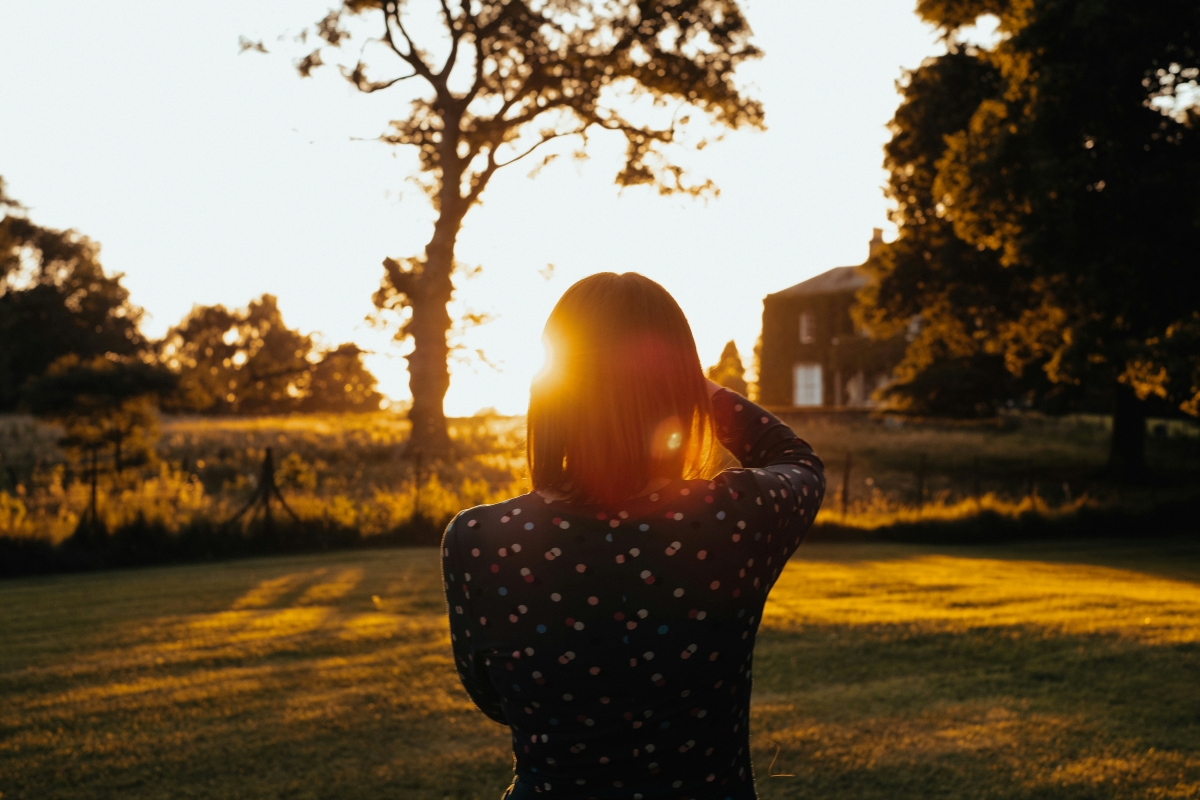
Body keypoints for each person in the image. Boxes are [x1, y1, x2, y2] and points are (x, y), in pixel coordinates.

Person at [441, 272, 825, 799]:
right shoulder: (732, 520)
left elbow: (492, 698)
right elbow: (797, 461)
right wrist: (697, 388)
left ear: (554, 386)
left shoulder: (482, 538)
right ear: (677, 387)